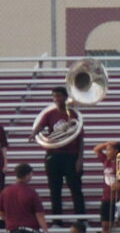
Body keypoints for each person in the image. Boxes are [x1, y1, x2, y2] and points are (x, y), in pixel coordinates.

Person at [33, 85, 87, 219]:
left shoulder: (74, 115)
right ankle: (57, 220)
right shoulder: (49, 114)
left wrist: (80, 159)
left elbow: (80, 139)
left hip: (71, 156)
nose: (56, 99)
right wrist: (34, 133)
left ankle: (81, 218)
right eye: (54, 96)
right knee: (54, 189)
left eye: (59, 96)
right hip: (54, 155)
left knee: (75, 188)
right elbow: (40, 126)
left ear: (65, 97)